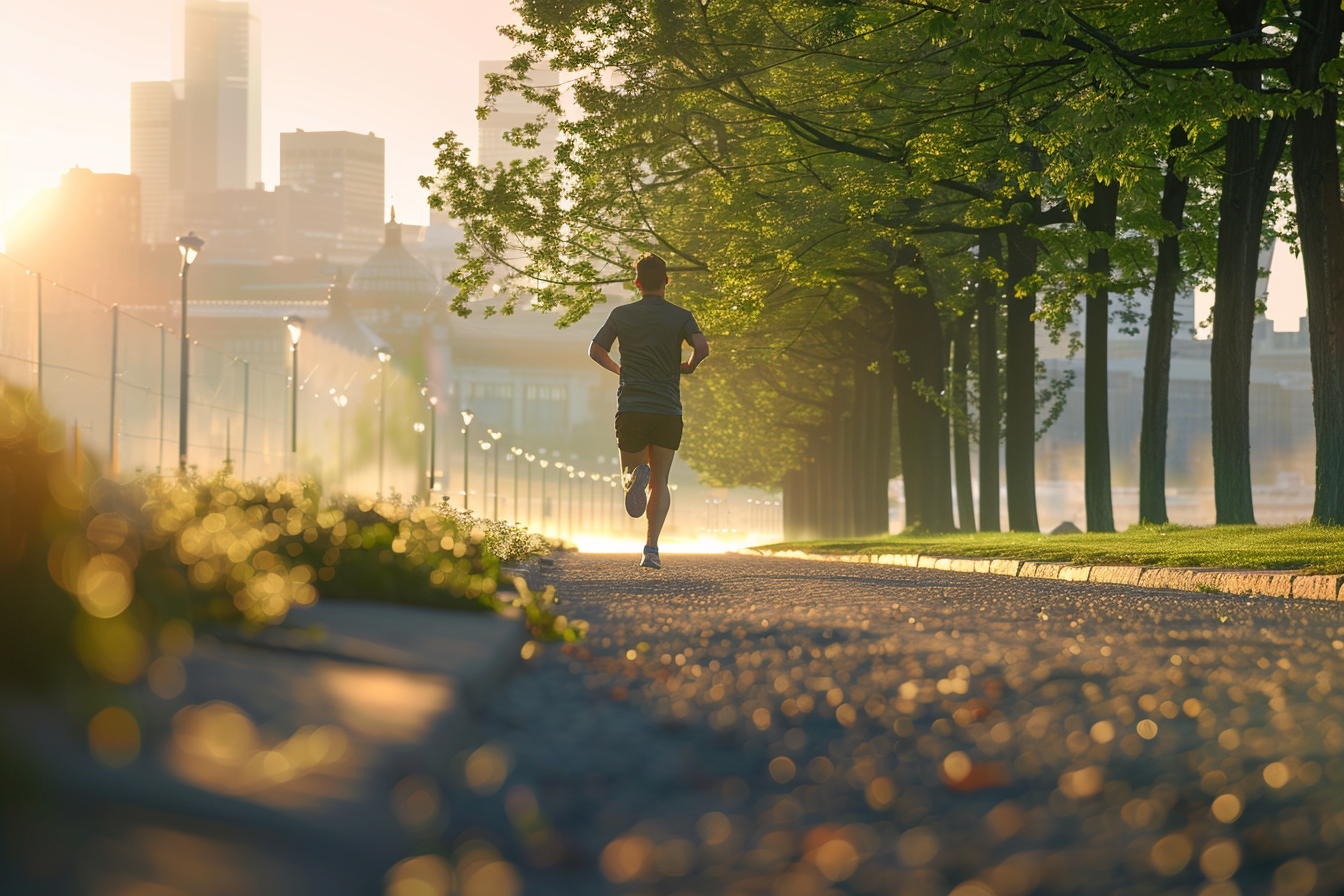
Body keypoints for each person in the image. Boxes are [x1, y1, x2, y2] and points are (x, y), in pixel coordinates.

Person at [589, 253, 710, 568]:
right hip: (668, 409)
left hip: (632, 406)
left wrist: (620, 370)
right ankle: (651, 549)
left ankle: (633, 478)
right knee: (662, 482)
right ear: (667, 281)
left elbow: (595, 349)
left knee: (630, 474)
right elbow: (702, 347)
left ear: (637, 282)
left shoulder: (621, 314)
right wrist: (688, 366)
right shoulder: (681, 316)